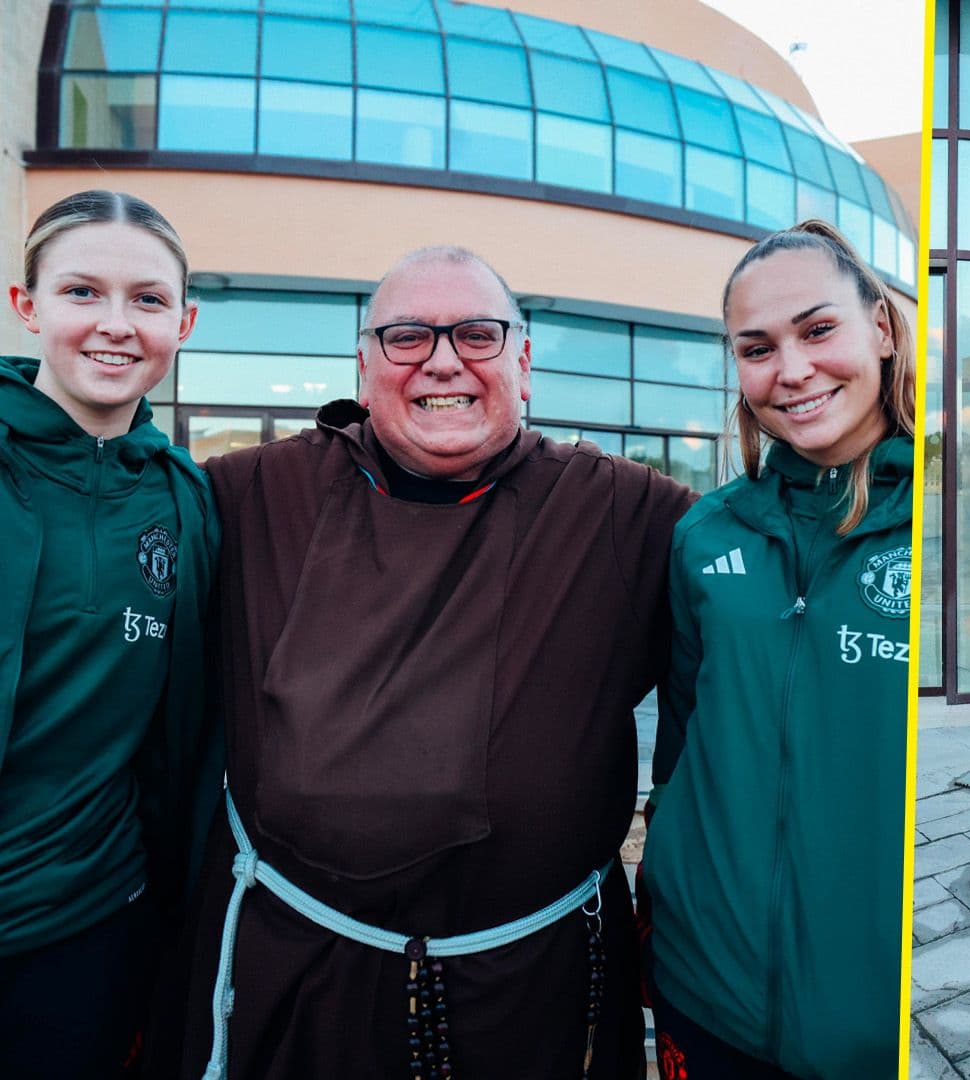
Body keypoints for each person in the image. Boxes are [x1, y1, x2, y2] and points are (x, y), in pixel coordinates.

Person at [162, 246, 696, 1078]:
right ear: (365, 364)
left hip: (535, 995)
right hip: (296, 981)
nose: (443, 360)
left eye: (477, 335)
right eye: (407, 336)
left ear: (522, 362)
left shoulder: (629, 512)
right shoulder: (244, 496)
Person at [642, 220, 915, 1079]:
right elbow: (682, 745)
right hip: (705, 996)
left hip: (875, 1026)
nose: (790, 370)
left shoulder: (949, 524)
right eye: (756, 348)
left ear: (879, 327)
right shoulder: (704, 533)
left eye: (817, 328)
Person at [0, 190, 220, 1078]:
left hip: (85, 929)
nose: (115, 326)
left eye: (148, 299)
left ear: (185, 321)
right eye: (82, 292)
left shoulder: (188, 503)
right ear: (27, 306)